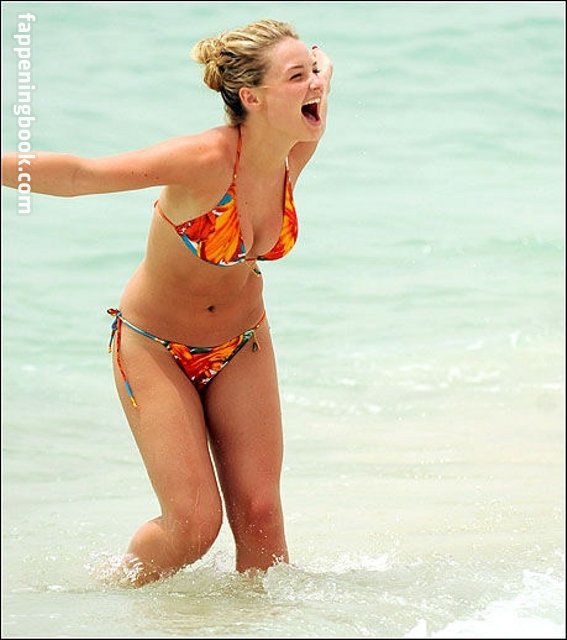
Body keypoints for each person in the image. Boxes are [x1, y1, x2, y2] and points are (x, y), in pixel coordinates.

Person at [2, 18, 332, 587]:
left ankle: (260, 625)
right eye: (297, 76)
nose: (315, 86)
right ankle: (112, 597)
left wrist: (317, 70)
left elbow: (326, 72)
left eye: (313, 73)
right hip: (155, 348)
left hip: (242, 343)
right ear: (251, 97)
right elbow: (81, 175)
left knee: (261, 517)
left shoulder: (293, 149)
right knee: (193, 527)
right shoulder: (203, 160)